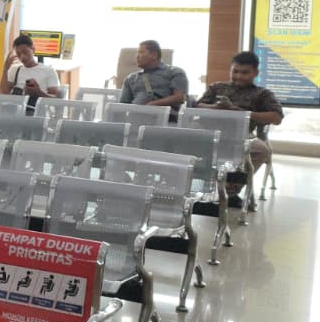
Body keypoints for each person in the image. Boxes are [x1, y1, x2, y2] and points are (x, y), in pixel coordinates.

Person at [195, 50, 284, 206]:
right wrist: (216, 108)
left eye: (244, 72)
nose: (239, 76)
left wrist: (241, 112)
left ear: (255, 73)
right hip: (209, 132)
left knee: (262, 150)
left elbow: (276, 117)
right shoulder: (217, 87)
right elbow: (197, 106)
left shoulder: (262, 94)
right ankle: (191, 186)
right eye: (235, 71)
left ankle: (230, 189)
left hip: (241, 136)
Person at [118, 39, 188, 114]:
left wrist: (152, 105)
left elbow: (179, 97)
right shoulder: (131, 78)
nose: (137, 56)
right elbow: (121, 106)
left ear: (154, 55)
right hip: (135, 117)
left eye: (141, 52)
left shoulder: (175, 72)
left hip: (165, 118)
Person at [0, 34, 61, 107]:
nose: (22, 57)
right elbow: (4, 95)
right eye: (18, 54)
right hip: (15, 109)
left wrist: (38, 92)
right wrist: (5, 69)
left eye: (25, 52)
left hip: (36, 110)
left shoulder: (48, 70)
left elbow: (56, 99)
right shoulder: (15, 69)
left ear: (33, 49)